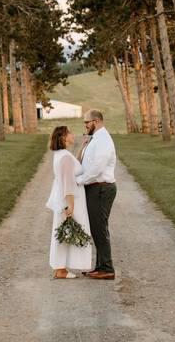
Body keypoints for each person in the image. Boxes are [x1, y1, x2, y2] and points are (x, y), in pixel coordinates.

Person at [46, 125, 93, 279]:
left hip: (65, 199)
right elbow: (68, 183)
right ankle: (60, 270)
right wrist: (71, 205)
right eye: (69, 133)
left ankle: (60, 268)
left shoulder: (62, 154)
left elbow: (74, 166)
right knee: (64, 233)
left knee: (64, 232)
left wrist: (81, 149)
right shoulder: (65, 157)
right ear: (63, 137)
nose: (72, 134)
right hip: (69, 200)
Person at [76, 109, 117, 280]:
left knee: (99, 228)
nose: (85, 125)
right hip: (95, 188)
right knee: (97, 227)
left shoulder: (103, 140)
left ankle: (107, 268)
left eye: (87, 122)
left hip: (101, 188)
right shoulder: (95, 139)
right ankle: (100, 266)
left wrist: (80, 180)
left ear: (97, 121)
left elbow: (98, 167)